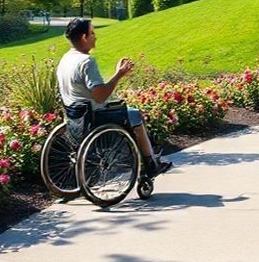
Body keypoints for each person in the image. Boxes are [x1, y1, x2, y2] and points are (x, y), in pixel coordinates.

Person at [56, 18, 172, 176]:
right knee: (135, 114)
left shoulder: (65, 59)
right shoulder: (86, 62)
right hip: (92, 117)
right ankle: (150, 164)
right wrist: (119, 74)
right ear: (84, 37)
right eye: (92, 33)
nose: (95, 37)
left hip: (74, 115)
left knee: (128, 111)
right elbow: (100, 96)